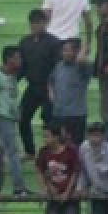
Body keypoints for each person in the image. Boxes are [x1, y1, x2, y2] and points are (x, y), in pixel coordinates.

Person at [35, 123, 83, 214]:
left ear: (56, 137)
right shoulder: (44, 152)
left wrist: (67, 193)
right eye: (43, 136)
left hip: (70, 199)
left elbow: (74, 173)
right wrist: (47, 189)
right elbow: (40, 170)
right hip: (53, 197)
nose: (45, 139)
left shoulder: (70, 152)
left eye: (47, 136)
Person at [19, 10, 65, 159]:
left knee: (48, 120)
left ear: (45, 23)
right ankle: (30, 150)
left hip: (48, 87)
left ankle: (50, 150)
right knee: (23, 117)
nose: (35, 26)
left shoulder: (54, 42)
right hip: (32, 86)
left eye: (38, 23)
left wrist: (55, 88)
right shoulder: (25, 42)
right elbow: (22, 66)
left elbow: (58, 67)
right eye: (32, 23)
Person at [0, 45, 29, 197]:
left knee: (5, 152)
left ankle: (10, 186)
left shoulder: (12, 76)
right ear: (9, 59)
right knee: (10, 153)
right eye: (17, 57)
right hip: (1, 118)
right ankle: (18, 187)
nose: (20, 61)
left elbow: (10, 98)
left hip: (9, 119)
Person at [49, 39, 95, 145]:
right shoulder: (58, 66)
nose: (66, 53)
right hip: (59, 113)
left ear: (76, 52)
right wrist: (51, 92)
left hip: (76, 115)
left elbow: (82, 60)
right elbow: (51, 80)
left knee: (76, 146)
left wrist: (83, 48)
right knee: (59, 145)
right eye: (64, 50)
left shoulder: (84, 67)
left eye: (69, 50)